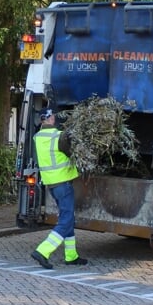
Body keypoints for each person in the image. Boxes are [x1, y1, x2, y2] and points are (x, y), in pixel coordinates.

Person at [30, 108, 88, 269]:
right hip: (63, 183)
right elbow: (72, 153)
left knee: (68, 218)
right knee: (66, 220)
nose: (55, 118)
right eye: (53, 116)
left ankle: (71, 256)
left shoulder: (38, 137)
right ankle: (43, 251)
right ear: (50, 119)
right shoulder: (59, 136)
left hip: (51, 184)